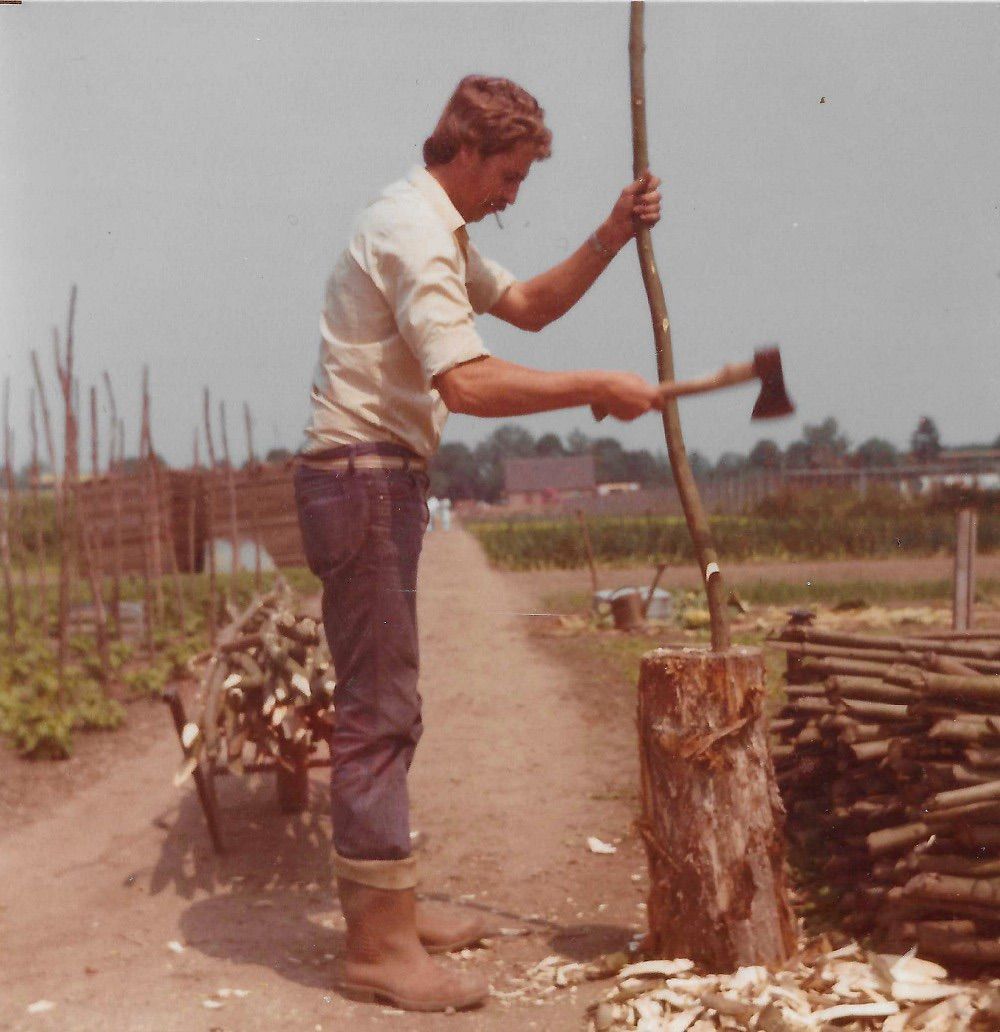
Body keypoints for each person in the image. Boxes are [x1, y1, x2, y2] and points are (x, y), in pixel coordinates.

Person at [294, 74, 662, 1013]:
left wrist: (615, 231)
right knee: (378, 706)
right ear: (463, 151)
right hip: (363, 477)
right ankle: (377, 948)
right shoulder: (411, 230)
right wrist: (593, 388)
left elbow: (532, 304)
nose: (511, 197)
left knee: (391, 697)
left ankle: (391, 911)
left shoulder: (443, 231)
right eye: (506, 176)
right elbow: (465, 381)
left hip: (381, 476)